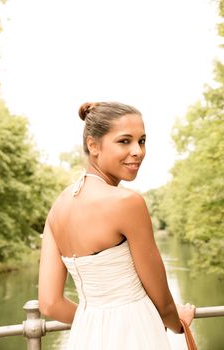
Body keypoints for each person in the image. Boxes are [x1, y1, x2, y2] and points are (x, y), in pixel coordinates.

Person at [38, 101, 195, 349]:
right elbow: (164, 303)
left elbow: (49, 303)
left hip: (85, 337)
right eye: (125, 141)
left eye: (142, 141)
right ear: (93, 145)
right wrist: (180, 324)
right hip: (137, 333)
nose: (138, 151)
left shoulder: (57, 209)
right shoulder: (127, 203)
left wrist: (96, 326)